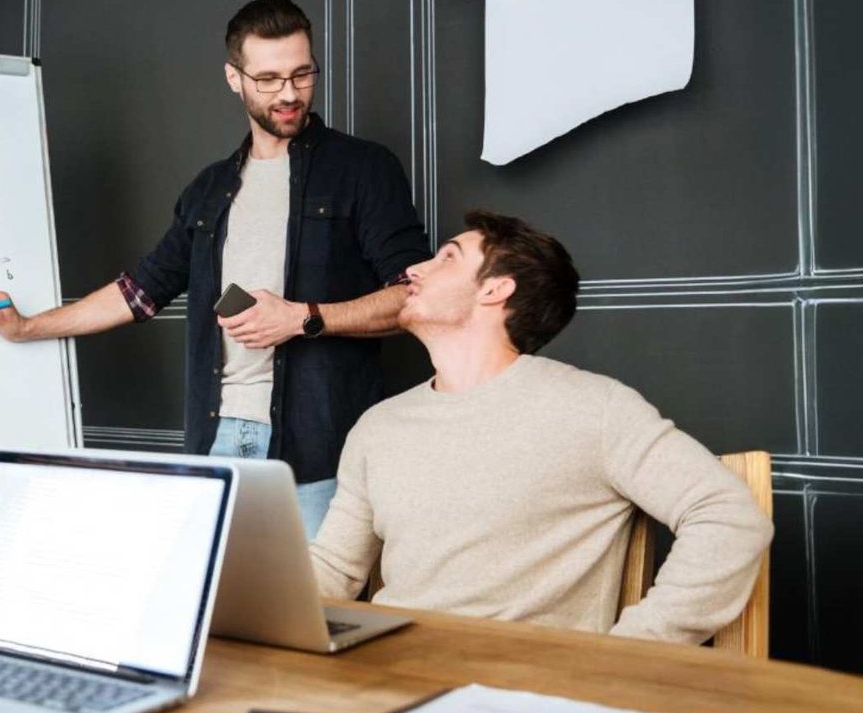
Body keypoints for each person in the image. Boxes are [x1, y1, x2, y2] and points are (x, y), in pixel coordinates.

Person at [0, 0, 429, 534]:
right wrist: (26, 328)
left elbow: (415, 294)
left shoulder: (364, 169)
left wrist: (304, 316)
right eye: (269, 78)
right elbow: (140, 290)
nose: (289, 94)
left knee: (315, 615)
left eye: (303, 75)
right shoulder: (209, 191)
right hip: (216, 444)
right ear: (234, 78)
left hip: (320, 451)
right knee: (213, 614)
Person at [309, 210, 773, 644]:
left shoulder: (596, 408)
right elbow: (334, 567)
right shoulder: (379, 426)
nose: (413, 270)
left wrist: (636, 650)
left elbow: (726, 515)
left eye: (447, 257)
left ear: (495, 290)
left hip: (517, 695)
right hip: (384, 675)